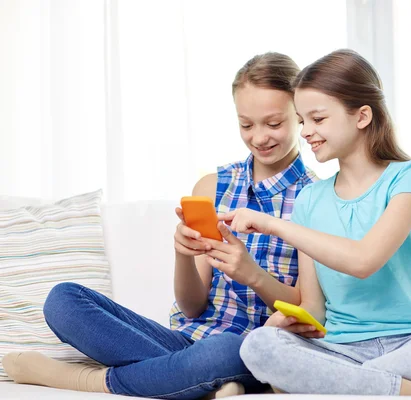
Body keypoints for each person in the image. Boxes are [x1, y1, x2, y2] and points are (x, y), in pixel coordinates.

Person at [2, 52, 318, 399]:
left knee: (224, 351)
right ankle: (198, 382)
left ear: (300, 117)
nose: (259, 137)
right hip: (183, 340)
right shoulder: (213, 187)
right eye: (246, 124)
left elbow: (307, 310)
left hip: (253, 349)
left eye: (273, 124)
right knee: (63, 300)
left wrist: (252, 274)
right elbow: (192, 308)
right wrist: (183, 254)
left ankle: (83, 379)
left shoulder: (316, 199)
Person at [210, 49, 411, 396]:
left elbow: (364, 260)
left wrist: (272, 224)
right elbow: (314, 308)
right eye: (302, 120)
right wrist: (289, 322)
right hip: (339, 348)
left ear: (362, 116)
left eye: (317, 119)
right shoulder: (310, 199)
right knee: (258, 346)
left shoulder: (409, 177)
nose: (306, 132)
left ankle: (353, 385)